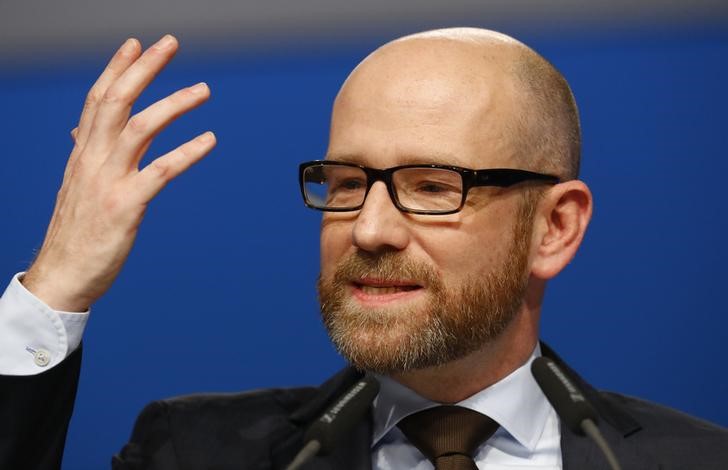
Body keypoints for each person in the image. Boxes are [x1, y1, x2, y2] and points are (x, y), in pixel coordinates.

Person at [1, 27, 726, 469]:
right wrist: (56, 290)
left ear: (555, 228)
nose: (370, 229)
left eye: (435, 186)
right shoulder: (193, 453)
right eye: (345, 182)